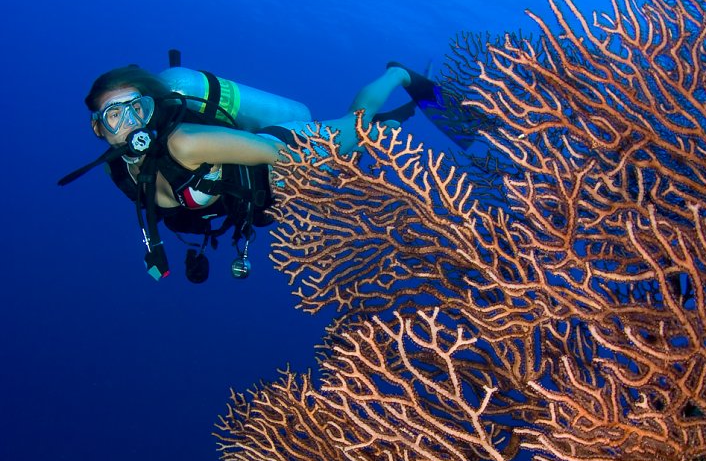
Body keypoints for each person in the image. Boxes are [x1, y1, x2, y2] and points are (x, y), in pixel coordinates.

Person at [61, 60, 441, 283]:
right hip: (265, 190)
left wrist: (319, 161)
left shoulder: (184, 143)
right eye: (114, 115)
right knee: (367, 133)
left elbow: (272, 150)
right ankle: (383, 126)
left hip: (291, 155)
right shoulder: (119, 171)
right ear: (99, 129)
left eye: (136, 109)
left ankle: (397, 75)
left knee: (358, 124)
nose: (129, 124)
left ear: (151, 109)